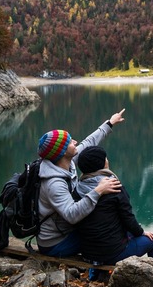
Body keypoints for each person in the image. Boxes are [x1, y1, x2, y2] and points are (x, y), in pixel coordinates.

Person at [35, 109, 125, 257]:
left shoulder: (65, 162)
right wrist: (98, 190)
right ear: (63, 151)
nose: (75, 142)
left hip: (65, 230)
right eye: (70, 141)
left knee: (106, 227)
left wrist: (110, 123)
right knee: (107, 234)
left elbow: (89, 142)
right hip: (55, 243)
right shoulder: (54, 183)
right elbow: (71, 215)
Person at [74, 145, 153, 271]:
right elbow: (128, 218)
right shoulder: (114, 187)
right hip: (111, 255)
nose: (107, 160)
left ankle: (95, 274)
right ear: (103, 163)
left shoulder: (78, 188)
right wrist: (142, 232)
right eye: (105, 158)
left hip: (88, 254)